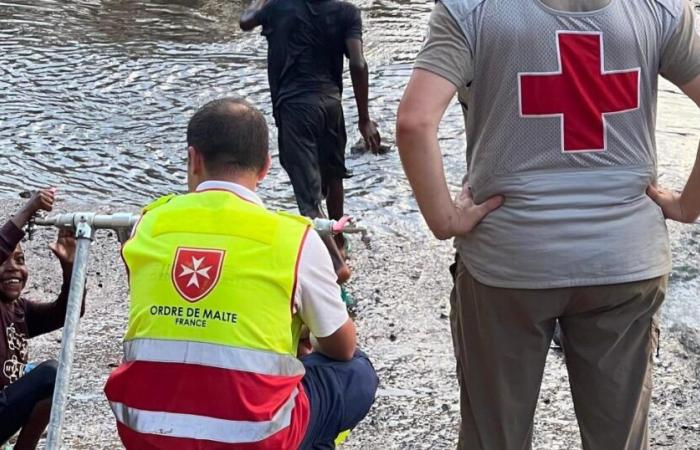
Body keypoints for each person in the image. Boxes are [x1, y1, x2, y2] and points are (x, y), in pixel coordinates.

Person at [397, 0, 700, 449]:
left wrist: (445, 219)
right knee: (617, 438)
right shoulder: (660, 10)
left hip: (508, 263)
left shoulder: (471, 10)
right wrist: (688, 206)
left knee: (494, 436)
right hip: (625, 259)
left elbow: (414, 122)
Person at [104, 97, 378, 450]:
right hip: (254, 439)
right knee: (356, 371)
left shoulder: (147, 225)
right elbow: (341, 347)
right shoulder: (293, 237)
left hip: (143, 428)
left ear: (193, 159)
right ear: (265, 167)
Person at [239, 0, 382, 283]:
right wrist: (364, 119)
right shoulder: (347, 12)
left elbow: (245, 21)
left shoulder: (277, 8)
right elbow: (357, 63)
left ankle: (336, 264)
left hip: (295, 109)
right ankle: (338, 241)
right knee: (334, 177)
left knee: (308, 200)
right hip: (331, 105)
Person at [0, 189, 80, 450]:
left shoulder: (19, 309)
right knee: (50, 373)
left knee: (48, 379)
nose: (13, 267)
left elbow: (67, 312)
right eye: (3, 260)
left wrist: (70, 266)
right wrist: (29, 209)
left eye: (20, 259)